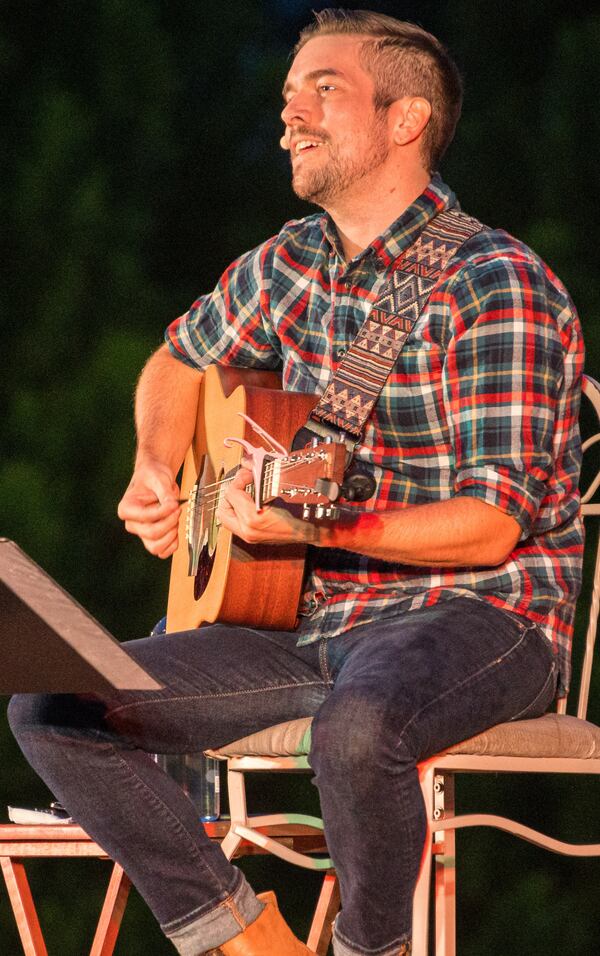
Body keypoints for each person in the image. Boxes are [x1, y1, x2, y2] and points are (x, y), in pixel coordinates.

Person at [9, 9, 584, 956]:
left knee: (358, 729)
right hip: (307, 628)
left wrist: (317, 530)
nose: (289, 118)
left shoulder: (497, 284)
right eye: (285, 99)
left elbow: (489, 527)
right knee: (53, 700)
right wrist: (157, 465)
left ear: (405, 121)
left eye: (323, 91)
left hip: (481, 618)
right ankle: (243, 936)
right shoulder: (289, 262)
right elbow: (176, 363)